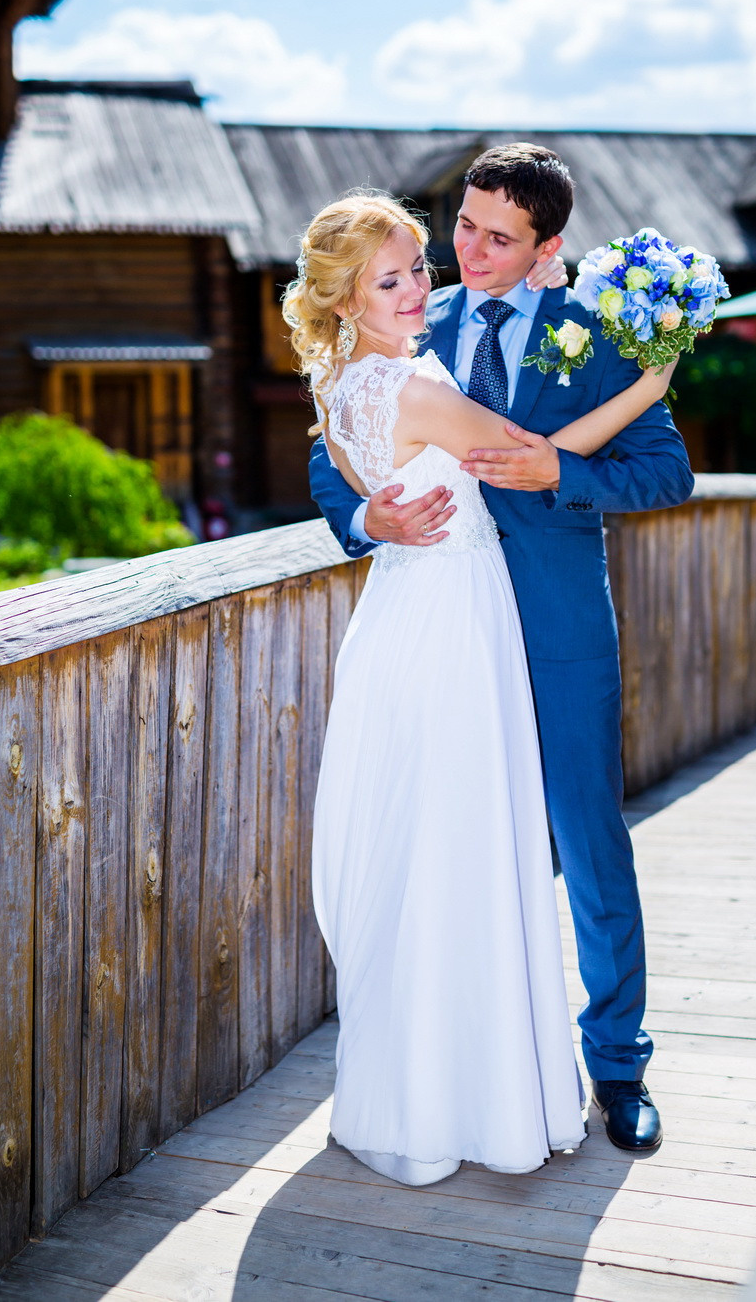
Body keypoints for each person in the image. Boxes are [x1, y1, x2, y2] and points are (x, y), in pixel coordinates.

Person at [289, 186, 685, 1187]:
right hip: (451, 630)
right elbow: (338, 470)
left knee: (584, 842)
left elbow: (664, 472)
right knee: (460, 853)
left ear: (547, 245)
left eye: (493, 237)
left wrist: (586, 449)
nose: (460, 256)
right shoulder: (414, 339)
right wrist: (365, 523)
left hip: (548, 633)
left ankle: (617, 1070)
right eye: (458, 228)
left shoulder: (586, 333)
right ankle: (468, 1083)